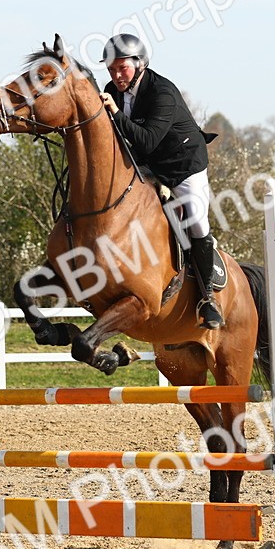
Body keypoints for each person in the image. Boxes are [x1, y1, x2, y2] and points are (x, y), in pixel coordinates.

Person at [98, 33, 225, 330]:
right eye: (111, 69)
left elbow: (147, 140)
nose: (116, 76)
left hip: (183, 166)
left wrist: (115, 113)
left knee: (195, 220)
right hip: (149, 166)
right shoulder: (111, 90)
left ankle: (208, 299)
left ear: (139, 64)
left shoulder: (162, 92)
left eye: (122, 68)